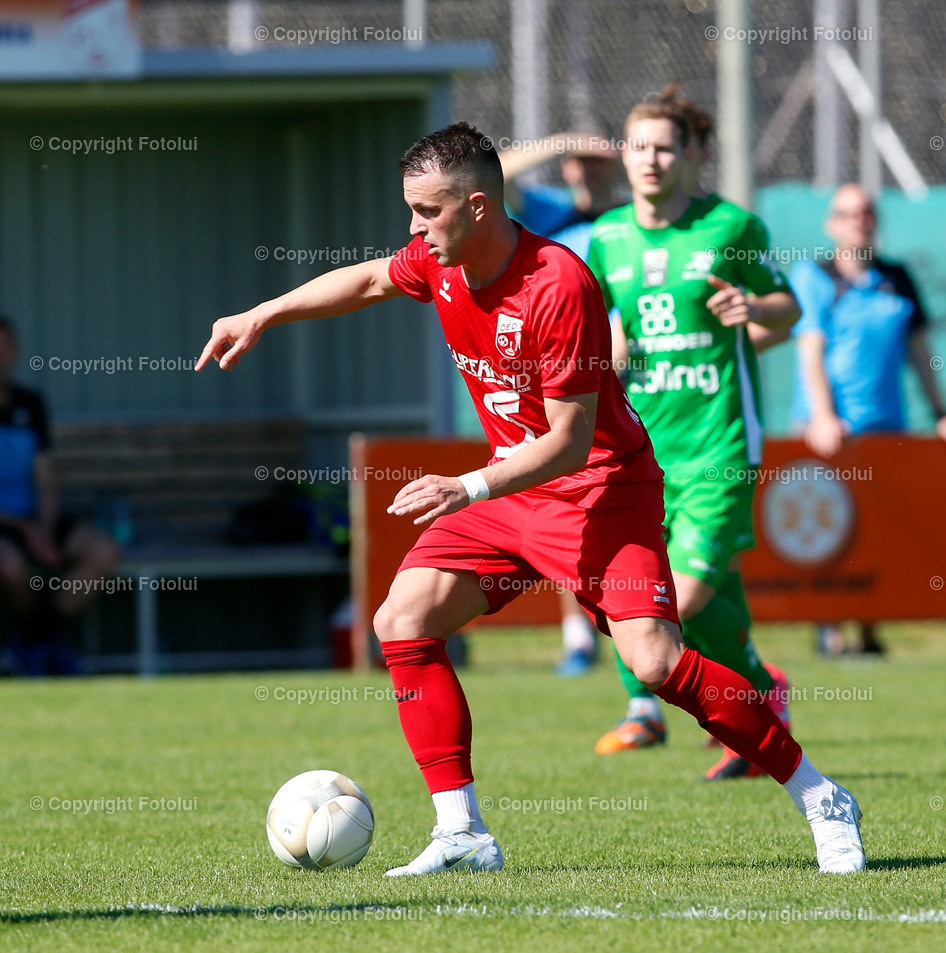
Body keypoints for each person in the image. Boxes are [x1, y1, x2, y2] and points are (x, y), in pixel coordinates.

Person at [197, 121, 865, 876]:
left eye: (426, 212)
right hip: (512, 494)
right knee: (402, 620)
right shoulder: (438, 261)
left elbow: (571, 443)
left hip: (599, 492)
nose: (413, 230)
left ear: (478, 207)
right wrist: (262, 314)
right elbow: (373, 278)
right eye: (410, 212)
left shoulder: (560, 283)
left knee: (654, 662)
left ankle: (821, 795)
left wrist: (467, 485)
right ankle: (462, 832)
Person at [586, 88, 798, 780]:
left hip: (720, 448)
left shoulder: (731, 227)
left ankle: (701, 706)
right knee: (674, 604)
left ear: (695, 154)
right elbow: (607, 329)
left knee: (672, 601)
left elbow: (787, 308)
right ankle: (759, 693)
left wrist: (750, 305)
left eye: (665, 147)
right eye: (639, 145)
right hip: (645, 454)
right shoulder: (607, 237)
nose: (650, 159)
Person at [791, 183, 946, 655]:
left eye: (867, 212)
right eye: (848, 213)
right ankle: (828, 631)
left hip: (886, 429)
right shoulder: (815, 276)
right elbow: (811, 351)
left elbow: (919, 352)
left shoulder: (899, 278)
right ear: (832, 223)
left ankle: (869, 634)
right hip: (829, 430)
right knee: (829, 530)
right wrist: (823, 417)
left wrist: (942, 414)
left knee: (878, 532)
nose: (859, 220)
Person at [499, 130, 623, 675]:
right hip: (557, 382)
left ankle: (640, 628)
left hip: (631, 383)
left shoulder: (629, 222)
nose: (588, 170)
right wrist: (561, 139)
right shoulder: (550, 214)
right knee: (564, 503)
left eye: (600, 161)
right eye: (580, 161)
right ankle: (578, 637)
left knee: (626, 510)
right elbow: (492, 175)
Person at [0, 316, 121, 675]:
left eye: (3, 348)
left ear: (15, 353)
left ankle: (33, 641)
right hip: (7, 526)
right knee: (10, 567)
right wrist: (25, 529)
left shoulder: (30, 404)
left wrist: (45, 527)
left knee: (104, 552)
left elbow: (45, 475)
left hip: (36, 521)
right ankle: (39, 644)